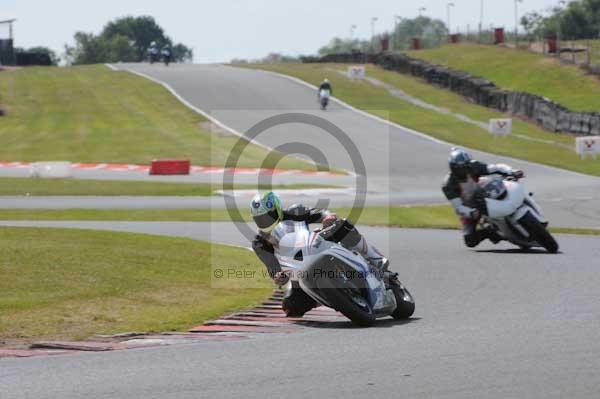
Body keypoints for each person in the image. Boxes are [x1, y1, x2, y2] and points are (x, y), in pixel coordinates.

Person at [250, 191, 387, 317]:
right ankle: (327, 297)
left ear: (277, 209)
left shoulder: (295, 211)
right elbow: (270, 263)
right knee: (291, 308)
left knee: (342, 225)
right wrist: (277, 275)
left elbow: (320, 213)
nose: (265, 220)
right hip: (296, 269)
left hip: (315, 245)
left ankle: (374, 256)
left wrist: (327, 217)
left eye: (269, 215)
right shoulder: (259, 242)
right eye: (260, 218)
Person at [442, 148, 524, 248]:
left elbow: (496, 168)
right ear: (451, 167)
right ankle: (493, 232)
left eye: (464, 167)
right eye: (457, 168)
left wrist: (511, 171)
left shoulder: (474, 166)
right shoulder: (448, 185)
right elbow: (458, 207)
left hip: (483, 193)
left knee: (505, 184)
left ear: (468, 164)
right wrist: (470, 212)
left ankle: (522, 204)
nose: (461, 170)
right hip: (470, 207)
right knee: (470, 240)